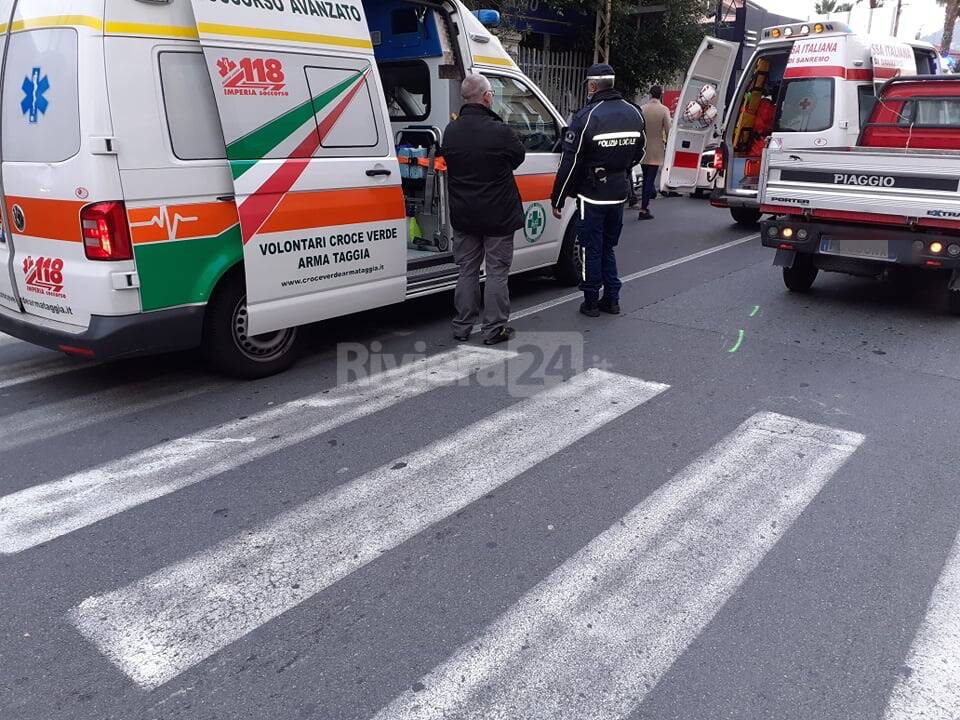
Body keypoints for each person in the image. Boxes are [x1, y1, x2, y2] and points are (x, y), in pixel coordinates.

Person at [550, 63, 645, 317]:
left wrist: (558, 197)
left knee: (590, 248)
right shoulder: (634, 113)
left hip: (591, 195)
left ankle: (591, 301)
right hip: (618, 193)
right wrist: (618, 168)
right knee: (607, 247)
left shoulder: (587, 117)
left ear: (593, 86)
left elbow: (570, 164)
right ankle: (612, 298)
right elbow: (639, 153)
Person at [441, 74, 526, 345]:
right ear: (487, 96)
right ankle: (494, 329)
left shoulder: (450, 131)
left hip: (465, 214)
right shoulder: (499, 131)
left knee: (467, 270)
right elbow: (518, 156)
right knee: (496, 272)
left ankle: (462, 326)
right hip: (498, 215)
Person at [637, 85, 671, 220]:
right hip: (656, 150)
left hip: (642, 149)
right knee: (649, 180)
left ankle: (648, 197)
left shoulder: (642, 109)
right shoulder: (664, 110)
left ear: (650, 95)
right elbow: (668, 130)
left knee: (646, 178)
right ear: (661, 95)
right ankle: (644, 209)